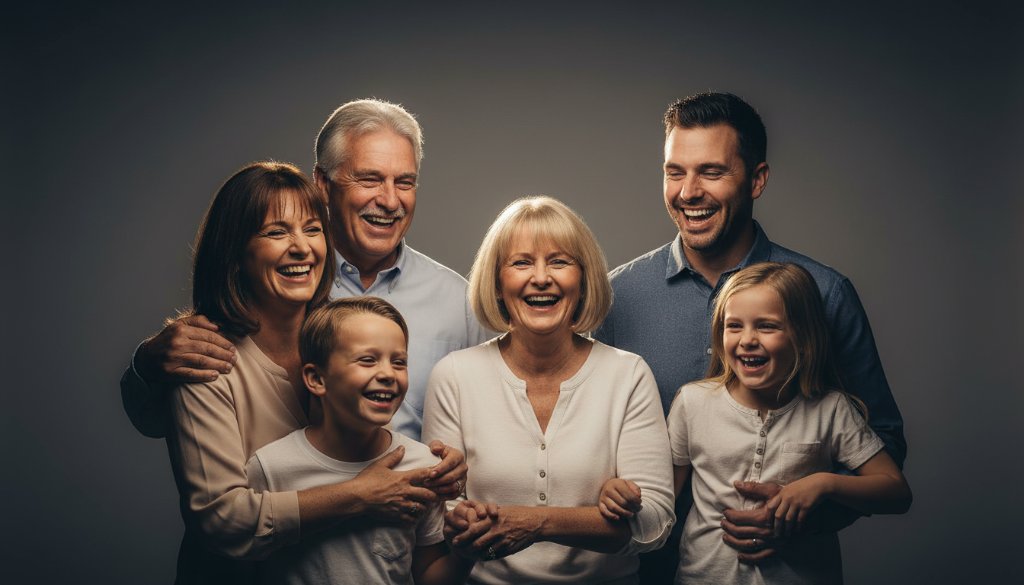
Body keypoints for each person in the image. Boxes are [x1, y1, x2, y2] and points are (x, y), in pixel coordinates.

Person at [593, 92, 906, 572]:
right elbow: (598, 440)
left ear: (756, 179)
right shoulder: (617, 296)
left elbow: (882, 441)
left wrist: (805, 514)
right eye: (675, 172)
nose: (688, 192)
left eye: (712, 172)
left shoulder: (825, 294)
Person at [121, 98, 489, 442]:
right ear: (324, 185)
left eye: (404, 182)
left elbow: (484, 427)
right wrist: (148, 364)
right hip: (295, 504)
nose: (390, 200)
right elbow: (161, 422)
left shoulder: (457, 301)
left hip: (417, 508)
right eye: (370, 179)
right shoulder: (280, 283)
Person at [165, 162, 445, 584]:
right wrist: (358, 496)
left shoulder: (346, 334)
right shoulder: (206, 359)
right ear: (236, 252)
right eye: (277, 233)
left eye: (313, 229)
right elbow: (223, 520)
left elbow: (379, 437)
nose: (302, 248)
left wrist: (439, 465)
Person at [422, 196, 675, 584]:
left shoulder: (628, 375)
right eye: (521, 262)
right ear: (497, 282)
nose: (541, 277)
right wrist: (463, 519)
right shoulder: (454, 376)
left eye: (559, 261)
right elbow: (441, 520)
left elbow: (654, 524)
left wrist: (538, 521)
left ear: (583, 279)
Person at [654, 262, 910, 583]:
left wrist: (822, 485)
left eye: (767, 326)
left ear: (802, 336)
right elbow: (661, 493)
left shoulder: (830, 409)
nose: (747, 339)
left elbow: (897, 492)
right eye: (734, 326)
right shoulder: (693, 402)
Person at [247, 297, 481, 585]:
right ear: (317, 379)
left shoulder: (422, 467)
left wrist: (465, 553)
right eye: (367, 360)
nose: (387, 374)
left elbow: (427, 575)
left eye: (399, 362)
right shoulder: (271, 468)